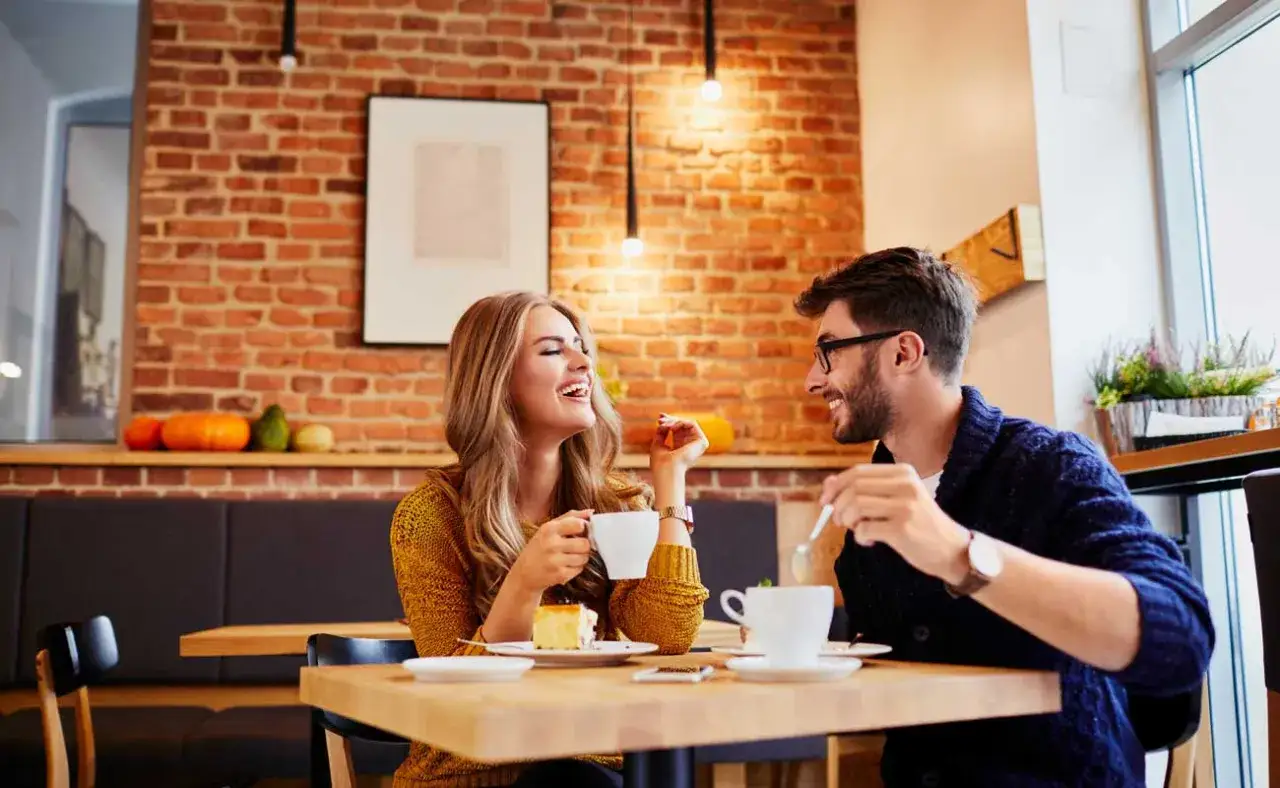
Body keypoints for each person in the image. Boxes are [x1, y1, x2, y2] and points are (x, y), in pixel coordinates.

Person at [796, 247, 1214, 787]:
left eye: (829, 352)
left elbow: (1180, 640)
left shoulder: (1051, 466)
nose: (812, 379)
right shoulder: (871, 517)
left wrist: (958, 552)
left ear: (903, 353)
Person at [390, 291, 710, 788]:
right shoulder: (432, 516)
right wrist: (524, 584)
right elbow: (451, 698)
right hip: (471, 774)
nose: (584, 362)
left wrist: (670, 481)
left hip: (594, 762)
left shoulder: (617, 504)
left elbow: (669, 636)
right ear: (497, 380)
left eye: (581, 347)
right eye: (553, 350)